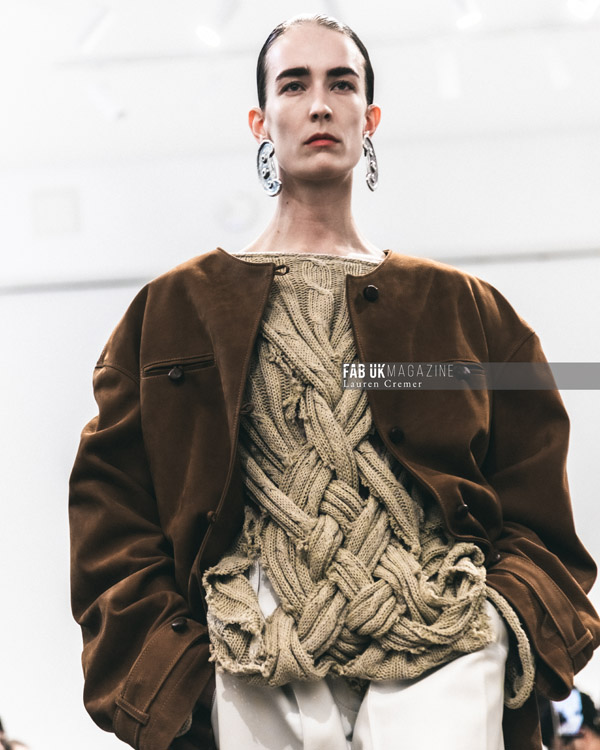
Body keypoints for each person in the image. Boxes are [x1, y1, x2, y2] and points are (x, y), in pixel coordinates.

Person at [68, 13, 600, 750]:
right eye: (294, 84)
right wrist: (179, 678)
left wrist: (502, 625)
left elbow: (536, 503)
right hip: (254, 647)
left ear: (369, 117)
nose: (319, 104)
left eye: (341, 84)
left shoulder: (465, 309)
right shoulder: (172, 311)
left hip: (440, 638)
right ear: (260, 120)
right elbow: (112, 511)